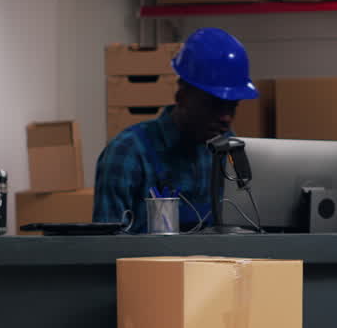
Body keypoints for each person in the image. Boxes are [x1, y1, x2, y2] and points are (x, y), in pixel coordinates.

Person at [93, 27, 258, 232]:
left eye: (232, 106)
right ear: (182, 96)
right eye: (214, 105)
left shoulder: (228, 153)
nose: (226, 118)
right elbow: (106, 251)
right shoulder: (128, 153)